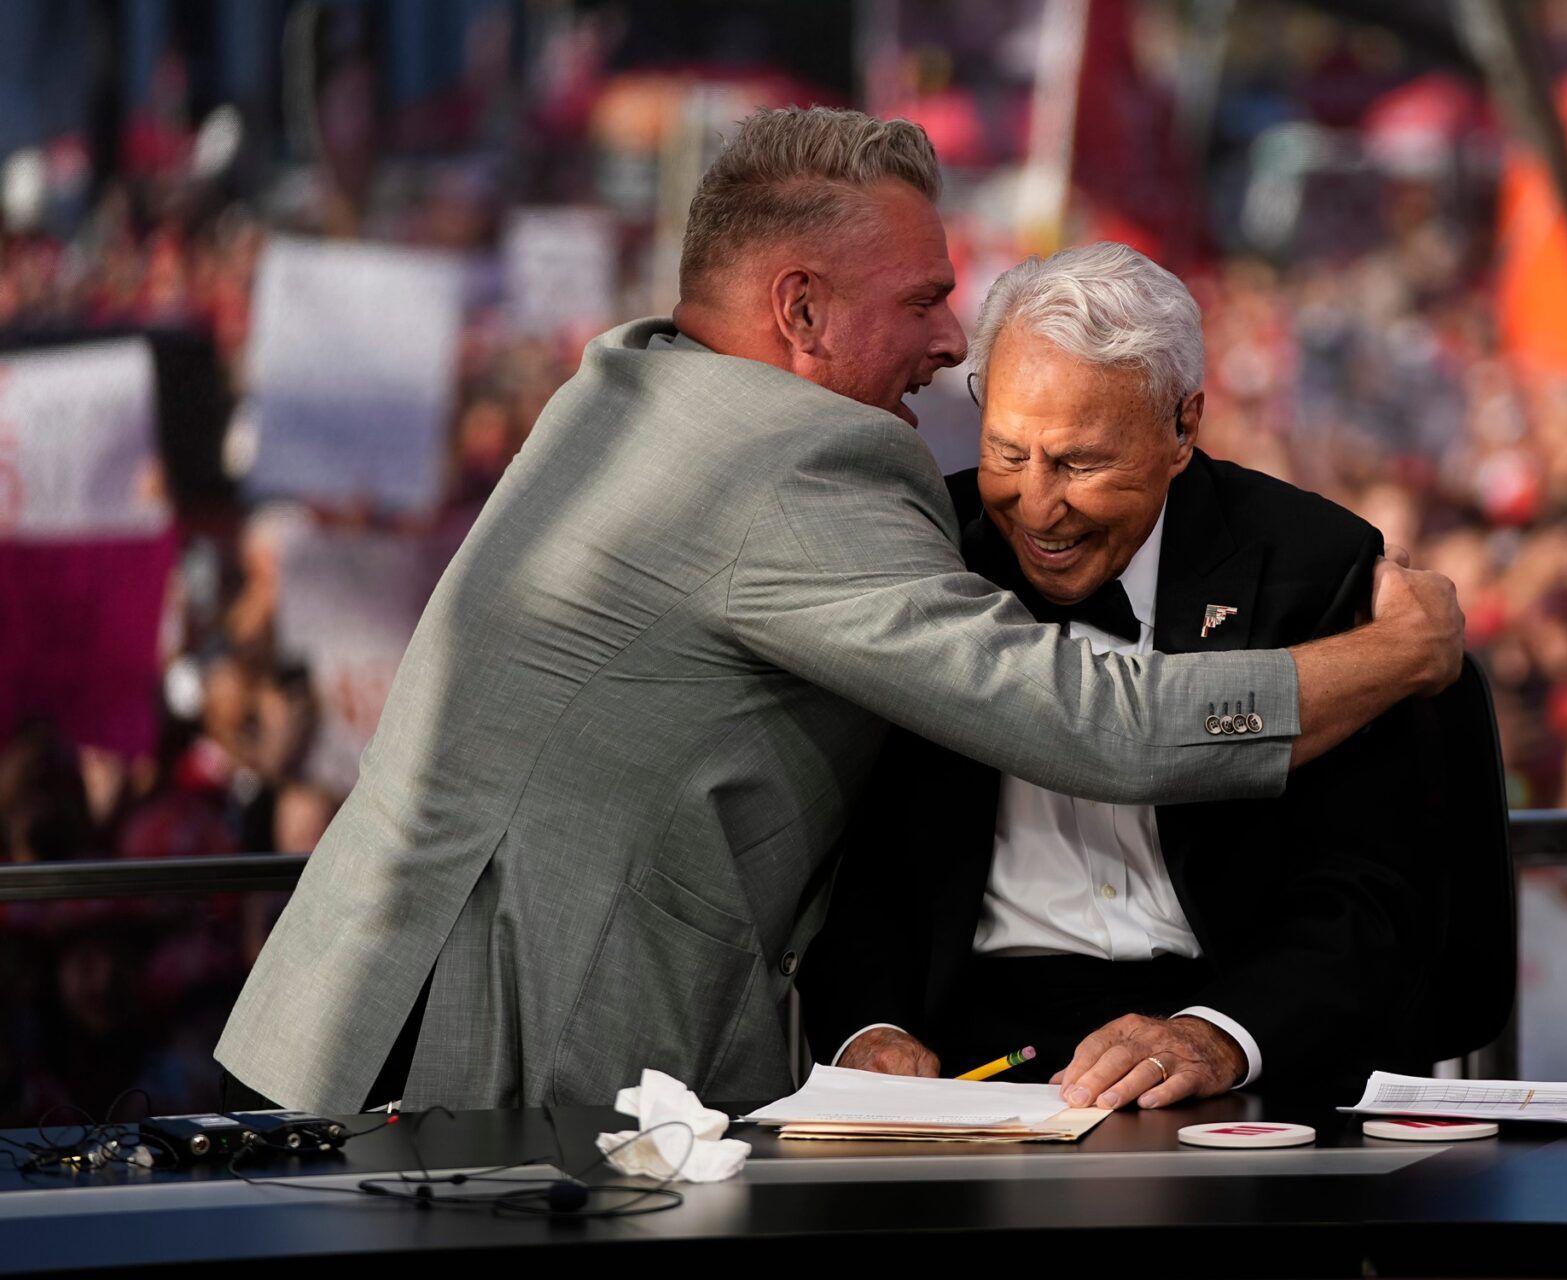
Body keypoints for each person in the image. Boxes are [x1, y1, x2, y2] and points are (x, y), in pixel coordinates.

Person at [215, 108, 1462, 1113]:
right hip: (501, 1043)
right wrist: (1390, 656)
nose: (949, 339)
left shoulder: (632, 381)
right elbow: (1095, 724)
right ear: (801, 309)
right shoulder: (799, 464)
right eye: (922, 298)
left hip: (374, 1002)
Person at [804, 244, 1439, 1108]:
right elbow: (852, 853)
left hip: (1237, 1051)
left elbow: (1371, 889)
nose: (1037, 505)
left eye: (1079, 463)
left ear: (1184, 427)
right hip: (963, 1062)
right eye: (1008, 452)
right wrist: (866, 1028)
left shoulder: (1311, 566)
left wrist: (1223, 1035)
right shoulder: (923, 550)